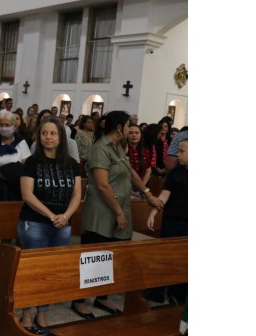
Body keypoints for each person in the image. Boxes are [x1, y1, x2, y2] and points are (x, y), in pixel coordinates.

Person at [72, 111, 162, 318]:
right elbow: (103, 185)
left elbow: (130, 172)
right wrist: (119, 211)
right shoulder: (99, 148)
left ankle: (102, 296)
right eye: (130, 125)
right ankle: (78, 300)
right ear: (120, 127)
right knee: (93, 257)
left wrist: (147, 194)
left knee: (113, 257)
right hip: (102, 212)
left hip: (119, 209)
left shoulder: (117, 147)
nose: (132, 129)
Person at [17, 117, 81, 333]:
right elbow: (27, 195)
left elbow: (77, 194)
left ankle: (42, 314)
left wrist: (65, 216)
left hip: (62, 225)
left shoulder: (72, 164)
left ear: (61, 137)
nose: (48, 137)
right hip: (35, 223)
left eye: (53, 133)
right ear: (39, 136)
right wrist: (52, 215)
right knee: (33, 271)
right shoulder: (33, 162)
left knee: (53, 272)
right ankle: (26, 312)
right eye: (44, 133)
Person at [145, 138, 188, 304]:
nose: (178, 155)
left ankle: (178, 294)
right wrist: (153, 212)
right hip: (171, 221)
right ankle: (159, 291)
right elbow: (164, 195)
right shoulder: (175, 173)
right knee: (165, 256)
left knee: (184, 260)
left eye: (182, 151)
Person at [0, 111, 31, 200]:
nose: (4, 128)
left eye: (7, 125)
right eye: (1, 125)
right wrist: (11, 177)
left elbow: (27, 164)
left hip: (16, 188)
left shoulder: (21, 142)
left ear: (14, 126)